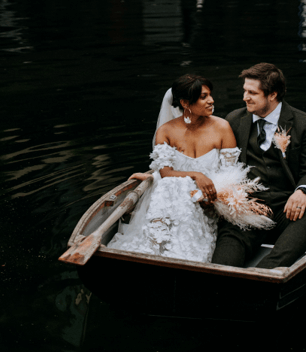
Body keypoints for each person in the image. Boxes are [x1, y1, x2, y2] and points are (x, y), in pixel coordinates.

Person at [107, 74, 270, 263]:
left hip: (209, 197)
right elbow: (165, 173)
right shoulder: (166, 131)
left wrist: (213, 194)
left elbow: (230, 173)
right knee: (172, 185)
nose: (211, 101)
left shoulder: (222, 127)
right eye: (204, 97)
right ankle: (160, 249)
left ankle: (180, 254)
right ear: (185, 103)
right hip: (174, 197)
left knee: (177, 188)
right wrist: (196, 175)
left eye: (210, 95)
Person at [211, 63, 306, 269]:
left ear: (272, 95)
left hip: (288, 208)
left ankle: (266, 272)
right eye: (245, 90)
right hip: (249, 207)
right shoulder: (235, 120)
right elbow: (224, 164)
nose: (245, 97)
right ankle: (224, 275)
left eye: (252, 93)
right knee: (224, 260)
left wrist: (302, 192)